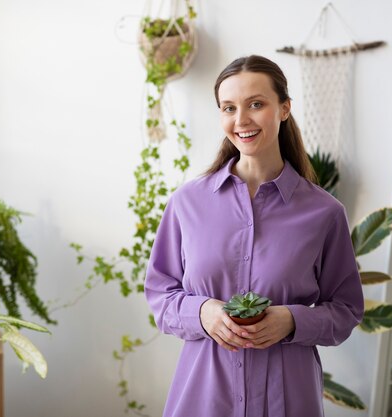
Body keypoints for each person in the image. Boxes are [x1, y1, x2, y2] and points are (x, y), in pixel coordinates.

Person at [144, 55, 364, 417]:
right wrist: (202, 312)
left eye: (256, 104)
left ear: (284, 109)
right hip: (203, 397)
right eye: (228, 107)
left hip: (288, 400)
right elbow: (159, 293)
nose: (241, 120)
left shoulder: (324, 213)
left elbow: (347, 310)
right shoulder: (188, 203)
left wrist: (292, 321)